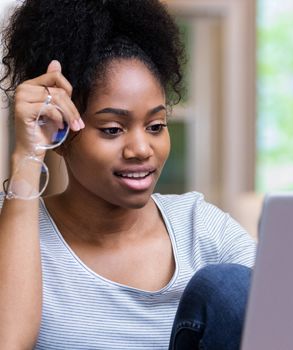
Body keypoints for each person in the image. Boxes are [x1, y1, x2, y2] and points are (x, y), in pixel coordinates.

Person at [0, 1, 256, 349]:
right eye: (111, 129)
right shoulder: (15, 229)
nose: (141, 149)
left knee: (231, 287)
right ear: (60, 133)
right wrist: (27, 156)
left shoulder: (200, 228)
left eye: (155, 126)